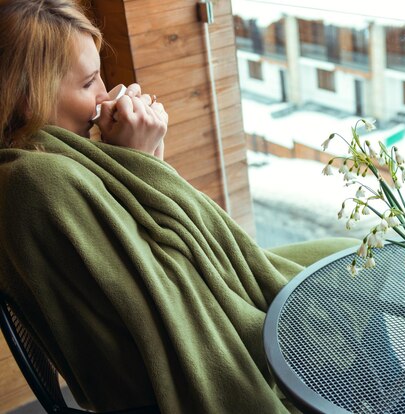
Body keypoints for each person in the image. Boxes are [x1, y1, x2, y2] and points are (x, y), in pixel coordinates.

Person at [0, 1, 357, 413]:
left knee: (340, 256)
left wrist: (144, 159)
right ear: (28, 96)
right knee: (349, 288)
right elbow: (166, 294)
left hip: (198, 292)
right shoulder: (38, 184)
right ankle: (379, 394)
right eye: (88, 83)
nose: (104, 97)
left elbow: (153, 251)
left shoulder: (51, 159)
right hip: (179, 346)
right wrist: (141, 161)